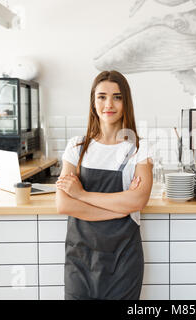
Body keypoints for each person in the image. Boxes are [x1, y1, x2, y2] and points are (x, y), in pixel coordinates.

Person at [55, 70, 153, 300]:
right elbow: (63, 205)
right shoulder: (76, 147)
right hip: (80, 258)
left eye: (117, 97)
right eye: (102, 96)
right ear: (93, 101)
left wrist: (81, 194)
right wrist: (120, 207)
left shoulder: (139, 149)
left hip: (123, 259)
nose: (109, 104)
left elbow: (138, 201)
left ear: (125, 101)